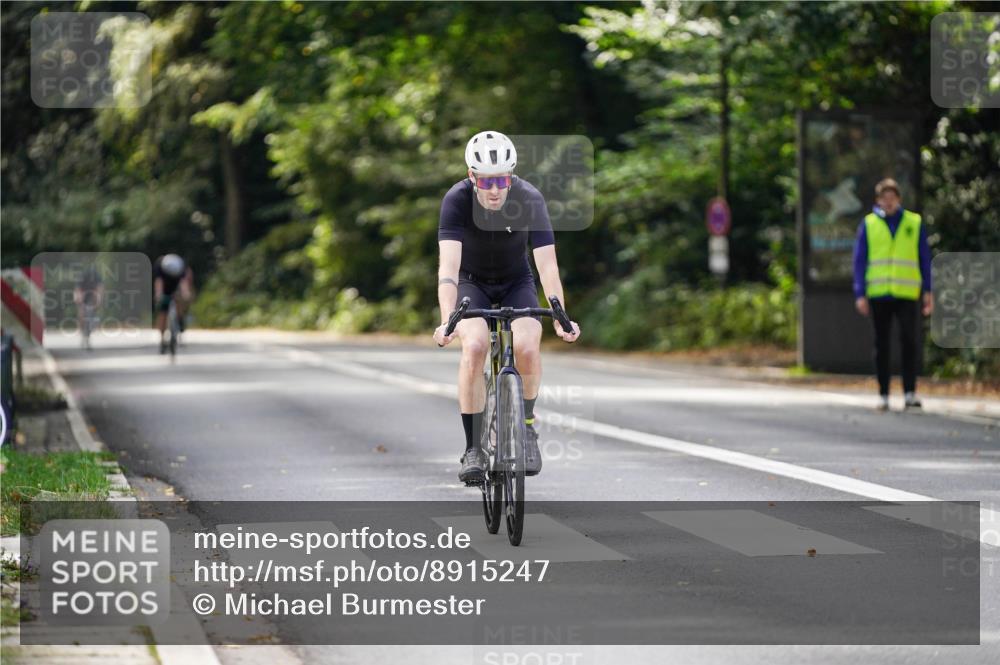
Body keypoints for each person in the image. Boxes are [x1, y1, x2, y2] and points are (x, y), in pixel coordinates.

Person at [433, 131, 580, 483]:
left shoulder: (529, 198)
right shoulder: (456, 200)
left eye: (502, 179)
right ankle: (473, 448)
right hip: (472, 283)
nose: (495, 189)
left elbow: (547, 266)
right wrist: (446, 320)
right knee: (476, 345)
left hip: (517, 281)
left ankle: (527, 429)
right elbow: (448, 269)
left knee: (528, 345)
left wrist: (560, 314)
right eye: (486, 181)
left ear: (511, 176)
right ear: (472, 177)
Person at [853, 178, 933, 411]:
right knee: (882, 344)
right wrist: (860, 293)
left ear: (898, 199)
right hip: (879, 293)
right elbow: (859, 261)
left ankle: (909, 392)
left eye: (892, 197)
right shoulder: (869, 224)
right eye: (884, 198)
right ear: (878, 200)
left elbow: (924, 258)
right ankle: (884, 394)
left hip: (907, 293)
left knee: (909, 341)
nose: (888, 202)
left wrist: (928, 290)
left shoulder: (913, 222)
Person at [153, 253, 194, 353]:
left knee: (179, 301)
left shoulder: (181, 267)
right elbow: (159, 282)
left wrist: (186, 294)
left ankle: (180, 321)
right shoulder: (160, 267)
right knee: (163, 313)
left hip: (176, 287)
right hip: (165, 288)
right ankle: (162, 340)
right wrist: (159, 295)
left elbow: (184, 283)